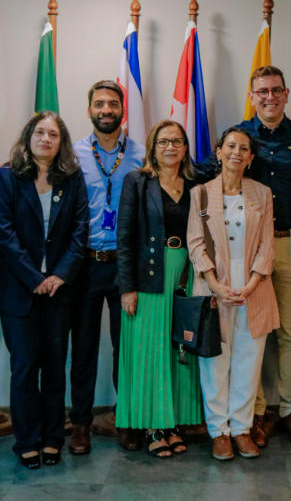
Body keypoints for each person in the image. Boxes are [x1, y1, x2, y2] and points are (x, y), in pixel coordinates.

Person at [196, 66, 291, 445]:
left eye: (276, 91)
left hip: (289, 243)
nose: (269, 97)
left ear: (285, 94)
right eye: (261, 91)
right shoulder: (241, 136)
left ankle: (289, 410)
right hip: (243, 248)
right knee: (255, 331)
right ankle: (256, 414)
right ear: (253, 96)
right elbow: (210, 173)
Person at [0, 112, 89, 469]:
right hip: (20, 292)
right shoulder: (8, 177)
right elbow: (4, 233)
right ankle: (26, 441)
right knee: (24, 369)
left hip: (60, 292)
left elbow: (81, 233)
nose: (46, 138)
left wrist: (59, 275)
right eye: (40, 132)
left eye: (54, 134)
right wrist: (35, 278)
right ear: (29, 136)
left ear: (61, 143)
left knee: (54, 369)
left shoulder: (72, 179)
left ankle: (52, 438)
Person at [116, 120, 205, 459]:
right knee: (149, 353)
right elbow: (124, 238)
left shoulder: (196, 183)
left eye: (178, 141)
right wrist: (127, 288)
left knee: (177, 350)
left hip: (186, 274)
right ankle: (153, 425)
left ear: (185, 148)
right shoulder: (136, 182)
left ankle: (173, 423)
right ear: (153, 146)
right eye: (164, 141)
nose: (171, 147)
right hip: (149, 278)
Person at [188, 127, 278, 461]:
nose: (237, 152)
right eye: (231, 146)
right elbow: (195, 243)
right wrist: (215, 284)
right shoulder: (201, 193)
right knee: (214, 361)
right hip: (215, 287)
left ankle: (241, 429)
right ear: (219, 151)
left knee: (248, 361)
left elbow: (268, 243)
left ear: (251, 158)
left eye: (244, 148)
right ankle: (219, 432)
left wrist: (252, 283)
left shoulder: (263, 193)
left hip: (254, 285)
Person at [69, 80, 146, 454]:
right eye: (98, 103)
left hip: (125, 266)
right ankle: (80, 423)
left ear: (122, 109)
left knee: (126, 347)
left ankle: (127, 418)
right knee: (82, 348)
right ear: (89, 110)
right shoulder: (72, 155)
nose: (105, 110)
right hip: (84, 264)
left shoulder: (142, 155)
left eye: (112, 103)